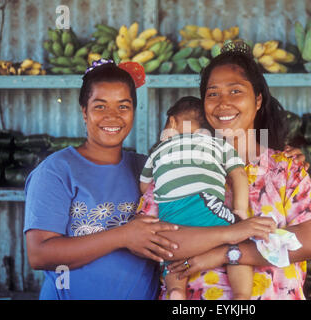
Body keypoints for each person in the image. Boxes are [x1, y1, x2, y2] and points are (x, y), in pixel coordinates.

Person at [23, 59, 278, 300]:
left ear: (134, 111)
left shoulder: (146, 166)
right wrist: (122, 236)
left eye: (123, 106)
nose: (112, 116)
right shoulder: (57, 170)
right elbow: (40, 254)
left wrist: (286, 156)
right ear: (84, 112)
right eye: (100, 106)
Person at [138, 42, 311, 300]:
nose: (223, 103)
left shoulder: (285, 168)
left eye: (235, 91)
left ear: (258, 99)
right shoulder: (176, 162)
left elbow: (310, 241)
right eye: (213, 94)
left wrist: (227, 253)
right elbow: (153, 240)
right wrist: (232, 233)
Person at [139, 95, 263, 300]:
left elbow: (144, 186)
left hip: (170, 224)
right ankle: (241, 295)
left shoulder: (158, 150)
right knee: (239, 245)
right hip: (206, 208)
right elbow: (238, 174)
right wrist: (239, 211)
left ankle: (176, 292)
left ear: (171, 122)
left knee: (172, 261)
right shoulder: (217, 144)